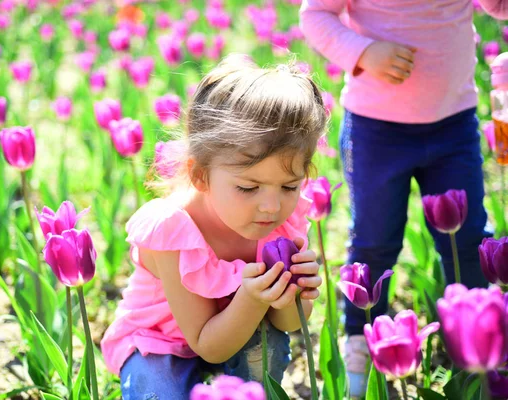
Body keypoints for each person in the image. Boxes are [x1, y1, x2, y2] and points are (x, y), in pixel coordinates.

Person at [300, 0, 508, 396]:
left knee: (466, 239)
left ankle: (479, 340)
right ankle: (362, 340)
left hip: (454, 123)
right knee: (374, 242)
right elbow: (315, 14)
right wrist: (363, 52)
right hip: (376, 129)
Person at [100, 53, 327, 399]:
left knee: (264, 349)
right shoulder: (173, 231)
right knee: (156, 392)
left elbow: (288, 325)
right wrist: (252, 298)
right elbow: (208, 345)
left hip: (240, 332)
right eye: (248, 188)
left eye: (289, 186)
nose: (271, 205)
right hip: (160, 342)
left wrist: (294, 293)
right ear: (200, 175)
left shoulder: (283, 219)